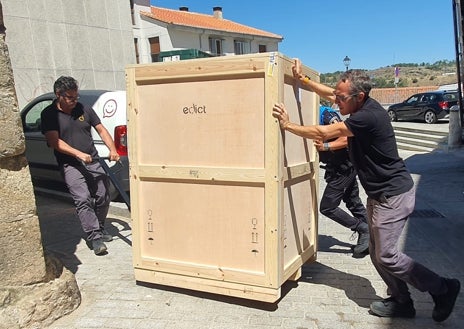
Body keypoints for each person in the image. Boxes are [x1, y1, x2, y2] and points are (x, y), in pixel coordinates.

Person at [271, 59, 460, 322]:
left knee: (386, 254)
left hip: (392, 195)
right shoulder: (357, 103)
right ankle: (401, 301)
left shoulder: (368, 116)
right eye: (336, 95)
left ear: (359, 96)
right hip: (379, 195)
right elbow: (329, 92)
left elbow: (324, 131)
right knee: (377, 252)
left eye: (341, 98)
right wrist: (302, 80)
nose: (336, 102)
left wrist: (287, 125)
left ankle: (443, 288)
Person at [41, 76, 120, 255]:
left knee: (104, 195)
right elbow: (55, 142)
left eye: (76, 97)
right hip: (70, 164)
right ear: (58, 95)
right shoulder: (49, 114)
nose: (74, 101)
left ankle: (99, 227)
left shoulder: (84, 108)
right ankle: (94, 237)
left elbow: (101, 129)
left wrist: (113, 149)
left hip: (92, 160)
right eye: (70, 97)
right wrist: (78, 154)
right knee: (83, 198)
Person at [317, 105, 369, 258]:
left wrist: (325, 147)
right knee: (353, 201)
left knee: (327, 207)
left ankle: (362, 228)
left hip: (343, 167)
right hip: (341, 165)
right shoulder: (316, 113)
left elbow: (346, 138)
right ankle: (373, 237)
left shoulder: (325, 114)